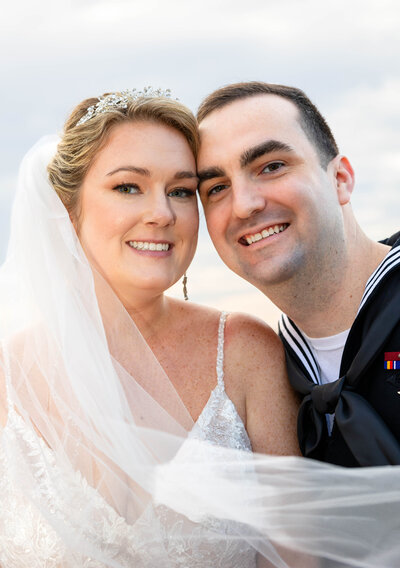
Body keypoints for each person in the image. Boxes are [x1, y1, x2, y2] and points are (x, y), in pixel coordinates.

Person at [1, 87, 400, 568]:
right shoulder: (9, 379)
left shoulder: (246, 352)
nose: (162, 214)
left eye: (180, 191)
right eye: (128, 186)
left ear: (341, 180)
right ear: (68, 212)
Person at [196, 81, 400, 468]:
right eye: (217, 187)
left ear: (340, 179)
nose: (244, 205)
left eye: (271, 167)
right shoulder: (263, 375)